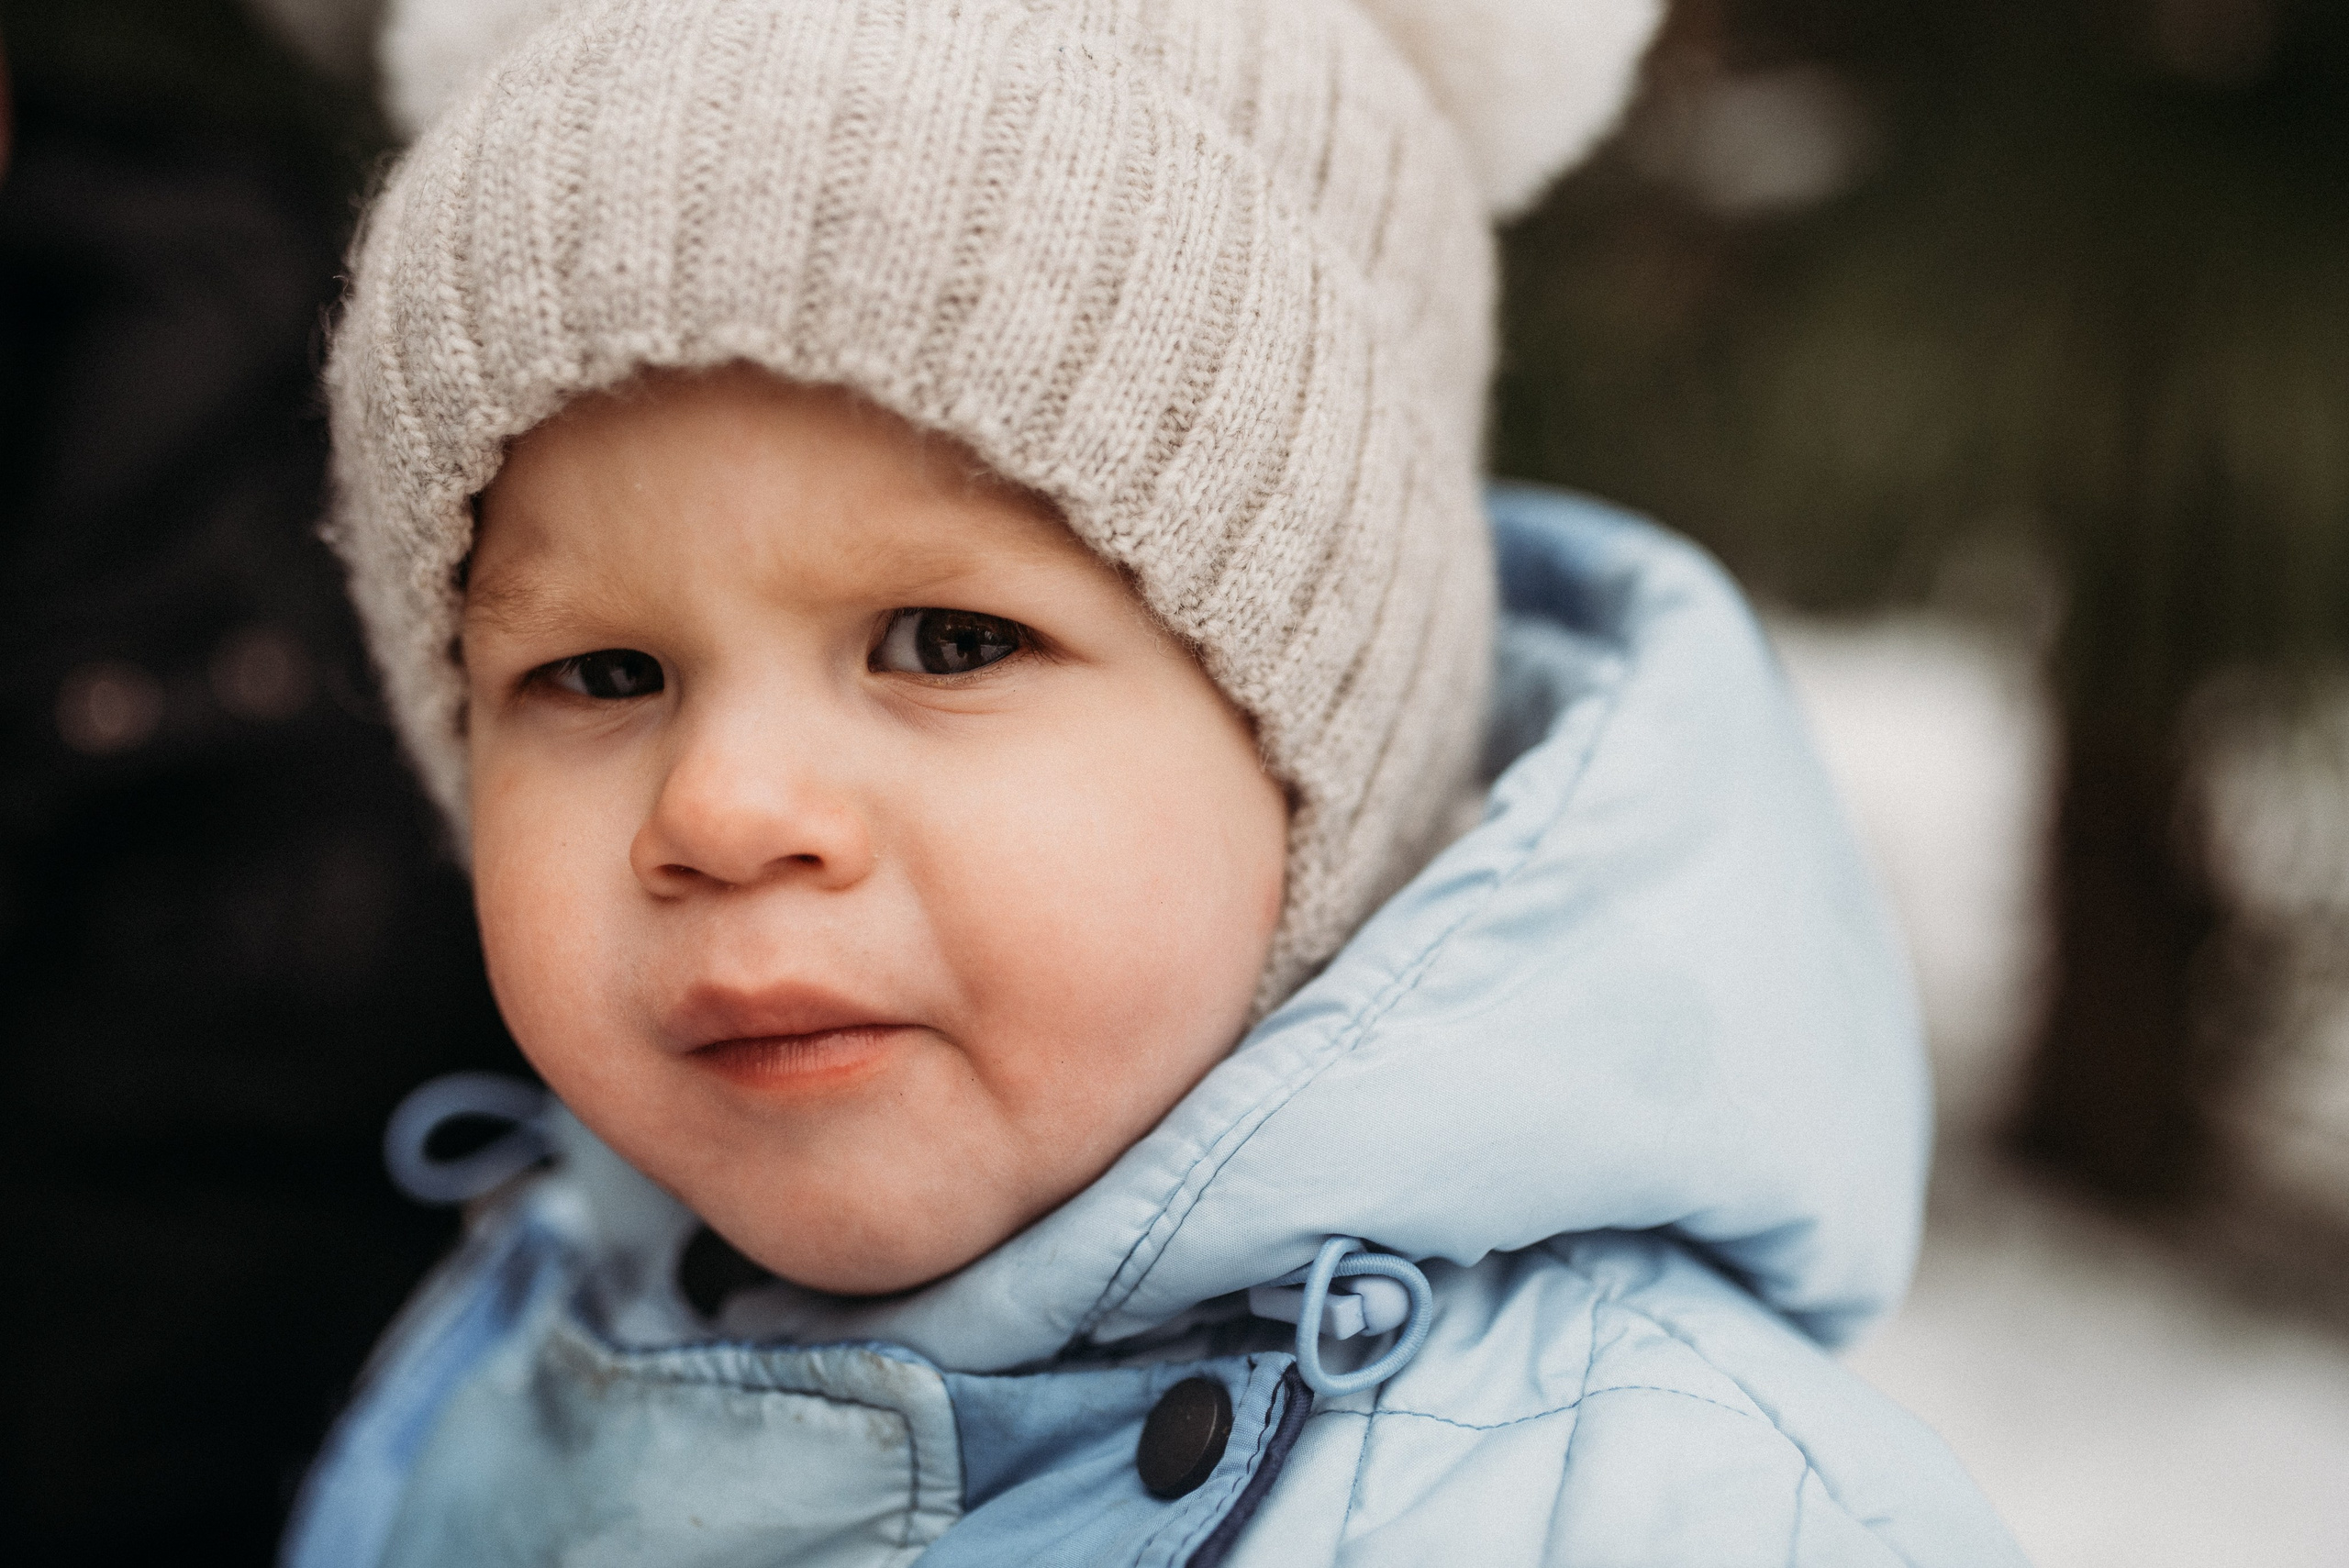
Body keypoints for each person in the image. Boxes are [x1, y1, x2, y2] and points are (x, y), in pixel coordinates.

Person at [284, 0, 2029, 1562]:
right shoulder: (513, 1340)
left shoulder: (1665, 1514)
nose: (725, 809)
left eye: (948, 642)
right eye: (599, 673)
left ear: (1322, 738)